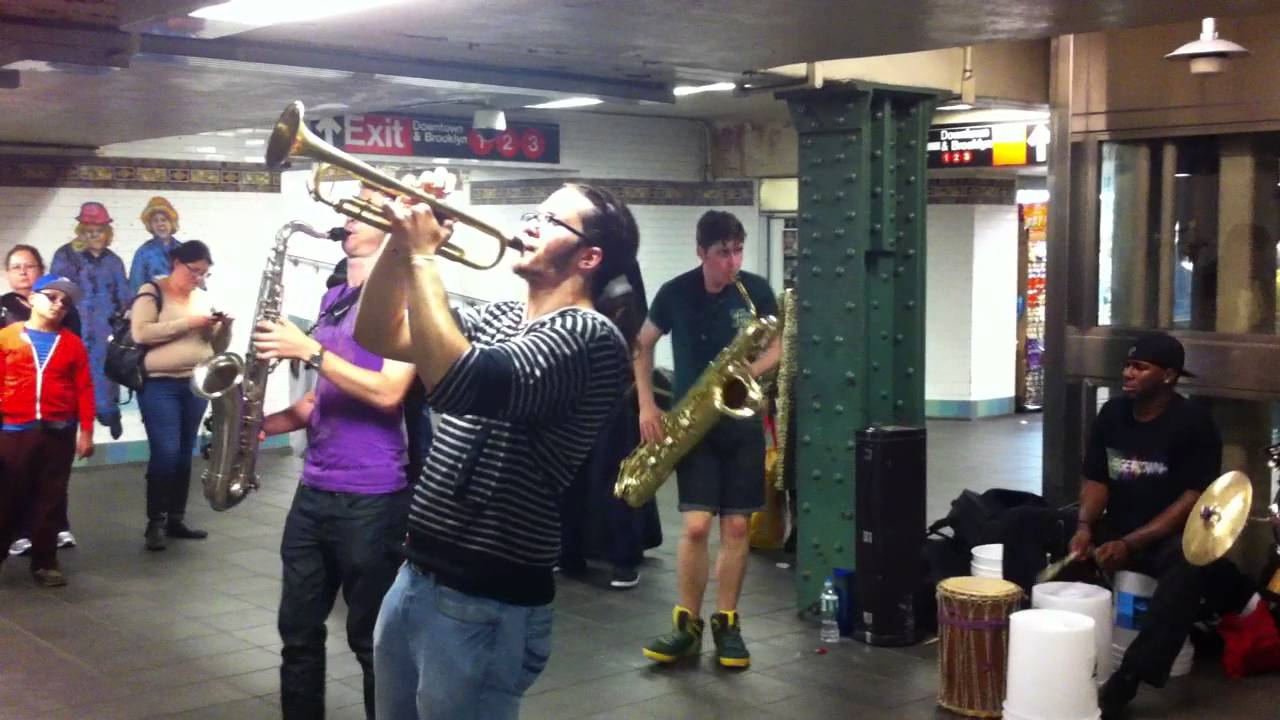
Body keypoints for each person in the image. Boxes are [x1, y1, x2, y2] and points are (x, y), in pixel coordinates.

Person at [355, 181, 643, 719]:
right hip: (417, 574)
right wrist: (398, 242)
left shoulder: (590, 336)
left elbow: (462, 382)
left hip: (485, 597)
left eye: (552, 220)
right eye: (535, 213)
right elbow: (376, 333)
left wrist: (423, 255)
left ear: (590, 257)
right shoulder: (499, 317)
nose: (530, 224)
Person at [998, 333, 1257, 718]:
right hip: (1113, 527)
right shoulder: (1113, 414)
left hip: (1163, 538)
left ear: (1168, 376)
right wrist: (1085, 527)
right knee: (1021, 520)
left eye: (1140, 367)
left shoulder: (1194, 423)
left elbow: (1192, 499)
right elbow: (1097, 479)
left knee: (1190, 567)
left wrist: (1131, 544)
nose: (1128, 373)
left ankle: (1130, 677)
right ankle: (1020, 624)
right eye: (1127, 365)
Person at [252, 198, 417, 720]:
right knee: (297, 634)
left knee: (372, 641)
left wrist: (308, 350)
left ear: (390, 228)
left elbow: (388, 392)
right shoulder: (336, 299)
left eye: (361, 211)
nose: (347, 219)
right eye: (348, 211)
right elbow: (320, 397)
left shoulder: (406, 300)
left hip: (372, 498)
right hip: (314, 490)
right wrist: (261, 424)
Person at [636, 210, 780, 669]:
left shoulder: (755, 290)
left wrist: (748, 373)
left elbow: (779, 345)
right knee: (697, 526)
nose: (732, 262)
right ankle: (686, 625)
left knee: (736, 527)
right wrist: (646, 405)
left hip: (741, 424)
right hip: (693, 425)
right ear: (701, 252)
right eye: (722, 253)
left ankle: (727, 624)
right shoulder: (675, 292)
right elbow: (643, 344)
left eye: (738, 251)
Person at [130, 240, 231, 551]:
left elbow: (215, 346)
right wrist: (188, 323)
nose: (198, 278)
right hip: (160, 385)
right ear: (176, 263)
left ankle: (176, 518)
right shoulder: (152, 292)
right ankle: (155, 521)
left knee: (185, 451)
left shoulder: (200, 298)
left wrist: (224, 328)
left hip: (195, 385)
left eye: (204, 273)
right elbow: (141, 333)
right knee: (167, 452)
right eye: (194, 271)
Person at [0, 275, 94, 587]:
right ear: (32, 299)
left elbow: (84, 389)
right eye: (52, 297)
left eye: (65, 302)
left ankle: (45, 562)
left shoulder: (72, 344)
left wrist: (86, 432)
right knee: (7, 496)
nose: (58, 305)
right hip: (14, 431)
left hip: (59, 433)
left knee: (50, 498)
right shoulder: (8, 338)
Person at [3, 244, 80, 556]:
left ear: (41, 270)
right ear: (8, 274)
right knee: (15, 476)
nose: (23, 272)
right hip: (15, 411)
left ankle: (56, 528)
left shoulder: (63, 306)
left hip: (57, 408)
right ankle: (19, 532)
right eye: (16, 267)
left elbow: (74, 357)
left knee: (54, 473)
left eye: (30, 265)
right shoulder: (3, 310)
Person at [49, 202, 131, 440]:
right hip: (75, 327)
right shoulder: (65, 256)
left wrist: (125, 318)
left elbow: (124, 296)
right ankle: (71, 421)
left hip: (105, 329)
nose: (94, 236)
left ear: (107, 233)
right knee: (73, 376)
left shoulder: (113, 261)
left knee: (105, 375)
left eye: (99, 231)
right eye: (89, 231)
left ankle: (109, 413)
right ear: (81, 232)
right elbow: (56, 289)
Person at [129, 196, 183, 294]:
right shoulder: (143, 253)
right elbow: (135, 287)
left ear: (172, 223)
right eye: (155, 221)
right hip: (152, 301)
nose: (160, 224)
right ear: (150, 225)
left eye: (164, 220)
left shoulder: (184, 250)